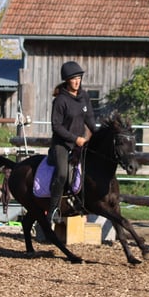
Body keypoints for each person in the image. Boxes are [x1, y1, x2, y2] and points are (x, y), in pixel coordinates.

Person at [47, 61, 97, 226]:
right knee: (62, 173)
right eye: (74, 79)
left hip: (79, 144)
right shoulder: (60, 101)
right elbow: (56, 127)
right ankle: (53, 209)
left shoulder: (84, 97)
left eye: (79, 78)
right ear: (67, 80)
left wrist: (97, 135)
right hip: (62, 144)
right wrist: (75, 139)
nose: (77, 81)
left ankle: (82, 204)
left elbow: (90, 119)